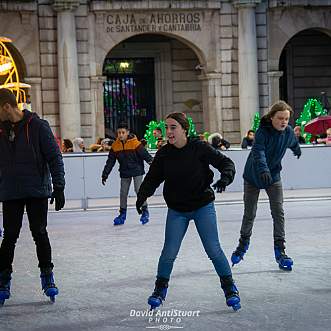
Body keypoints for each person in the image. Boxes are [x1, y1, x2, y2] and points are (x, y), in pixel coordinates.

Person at [136, 112, 241, 311]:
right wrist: (142, 196)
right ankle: (159, 290)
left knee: (213, 249)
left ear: (185, 129)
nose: (169, 131)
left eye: (173, 127)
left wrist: (225, 178)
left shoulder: (199, 147)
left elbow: (226, 163)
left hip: (202, 205)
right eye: (167, 127)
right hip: (177, 210)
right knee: (169, 252)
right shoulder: (164, 153)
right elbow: (152, 178)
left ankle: (230, 288)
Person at [0, 88, 65, 305]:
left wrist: (59, 186)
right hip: (10, 191)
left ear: (6, 107)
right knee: (9, 236)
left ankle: (47, 276)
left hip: (36, 190)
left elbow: (55, 157)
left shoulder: (37, 126)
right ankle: (3, 279)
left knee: (39, 233)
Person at [231, 100, 301, 271]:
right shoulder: (262, 132)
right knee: (250, 213)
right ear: (271, 118)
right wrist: (263, 169)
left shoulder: (288, 132)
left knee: (278, 212)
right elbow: (258, 151)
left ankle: (280, 250)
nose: (284, 122)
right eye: (280, 118)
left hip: (273, 176)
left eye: (286, 118)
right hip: (254, 176)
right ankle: (242, 245)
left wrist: (296, 149)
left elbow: (292, 141)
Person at [102, 122, 153, 225]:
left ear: (127, 132)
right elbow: (110, 161)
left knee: (139, 190)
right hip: (125, 172)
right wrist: (105, 174)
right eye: (119, 132)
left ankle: (144, 211)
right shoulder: (116, 145)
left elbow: (146, 155)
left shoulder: (135, 143)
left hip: (137, 170)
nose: (120, 135)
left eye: (123, 132)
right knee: (123, 193)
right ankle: (122, 214)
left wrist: (154, 166)